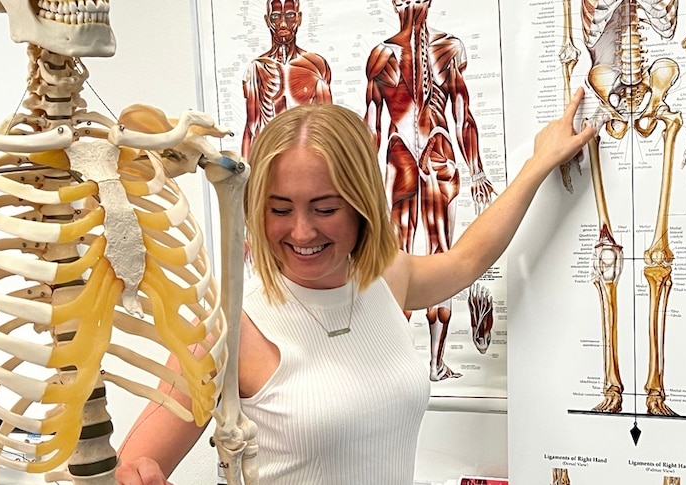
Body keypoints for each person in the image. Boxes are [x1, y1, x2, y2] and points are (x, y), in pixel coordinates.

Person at [114, 88, 595, 484]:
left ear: (362, 203)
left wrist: (538, 164)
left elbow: (468, 259)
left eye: (325, 209)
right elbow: (132, 470)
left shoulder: (387, 278)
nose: (301, 232)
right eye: (279, 209)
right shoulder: (226, 328)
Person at [364, 0, 496, 379]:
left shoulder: (446, 49)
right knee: (399, 258)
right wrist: (361, 183)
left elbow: (462, 112)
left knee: (441, 257)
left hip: (435, 154)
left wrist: (478, 170)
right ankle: (400, 367)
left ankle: (435, 363)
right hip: (402, 156)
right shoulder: (382, 56)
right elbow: (370, 123)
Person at [241, 0, 333, 159]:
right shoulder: (257, 68)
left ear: (299, 18)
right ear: (267, 20)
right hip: (271, 162)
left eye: (290, 15)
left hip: (311, 160)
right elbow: (251, 127)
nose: (283, 24)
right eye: (276, 16)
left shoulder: (316, 65)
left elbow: (329, 126)